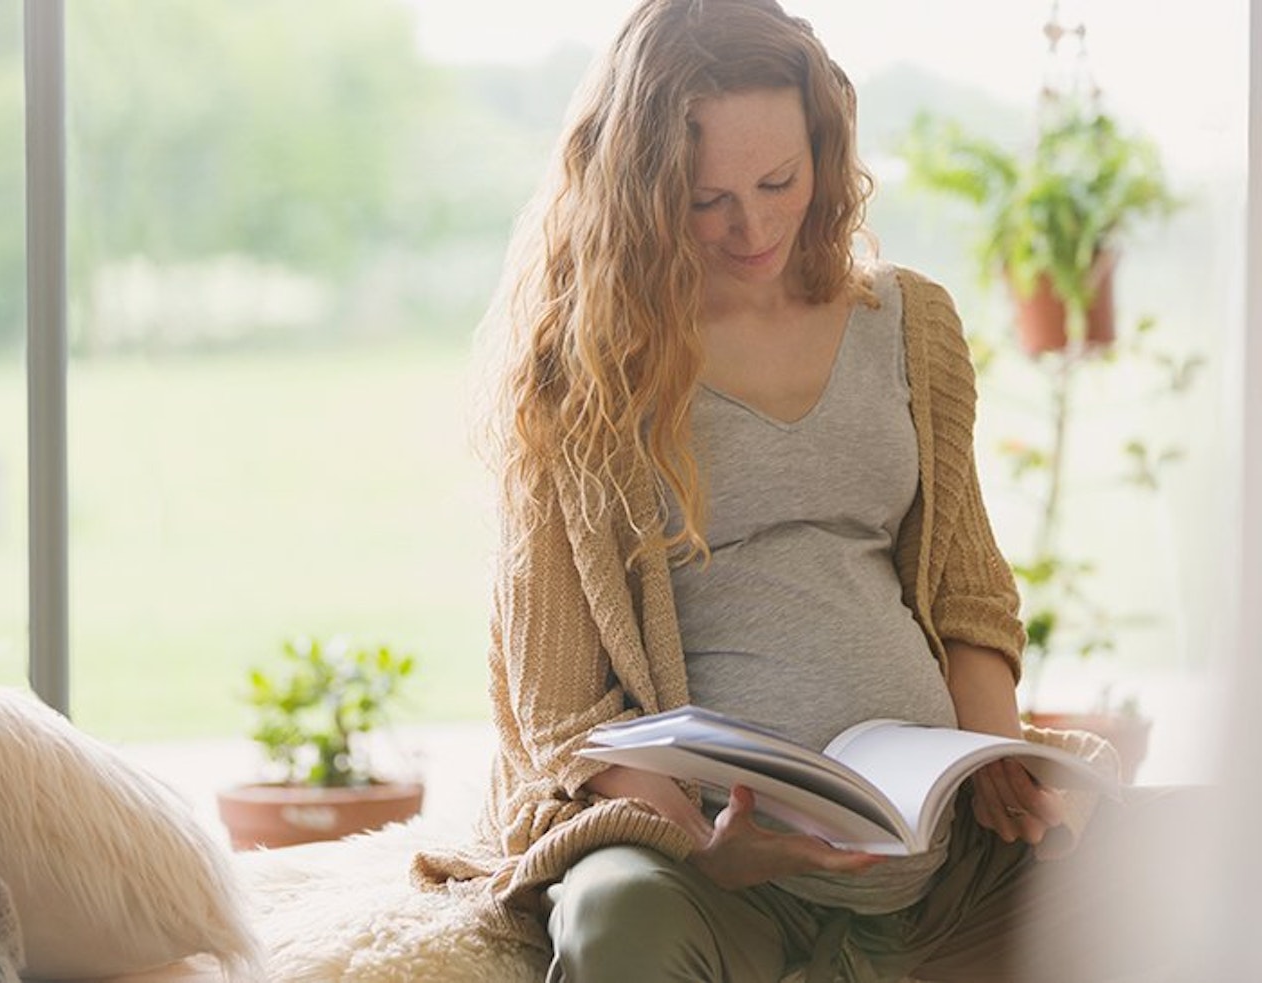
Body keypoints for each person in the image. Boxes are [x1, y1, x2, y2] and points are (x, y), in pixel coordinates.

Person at [415, 1, 1195, 979]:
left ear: (824, 147)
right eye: (708, 199)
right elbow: (562, 708)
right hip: (712, 869)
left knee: (1202, 858)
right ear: (640, 193)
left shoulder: (911, 323)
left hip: (941, 858)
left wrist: (999, 759)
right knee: (616, 918)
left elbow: (967, 596)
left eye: (780, 179)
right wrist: (699, 844)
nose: (753, 226)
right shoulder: (582, 373)